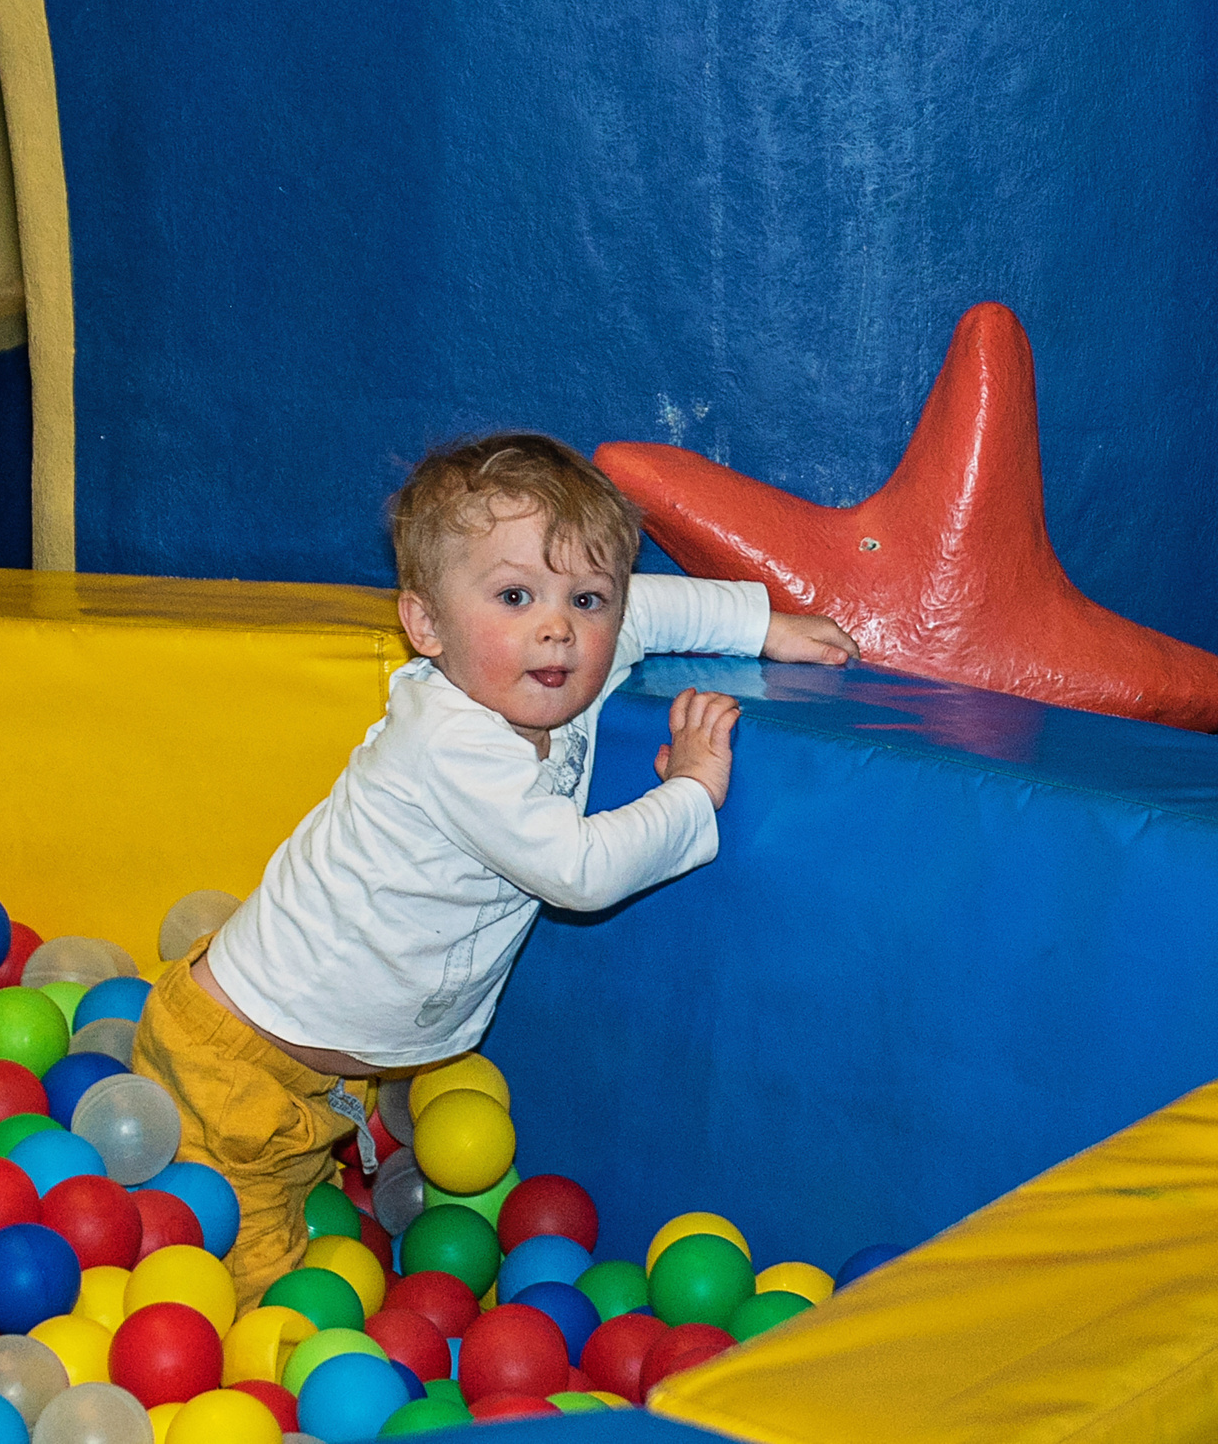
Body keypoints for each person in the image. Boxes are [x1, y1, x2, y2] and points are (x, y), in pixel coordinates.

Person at [131, 432, 859, 1300]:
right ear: (426, 624)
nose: (558, 625)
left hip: (321, 1077)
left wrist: (762, 625)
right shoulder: (452, 740)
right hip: (235, 1066)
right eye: (514, 594)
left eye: (585, 598)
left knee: (324, 1254)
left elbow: (646, 610)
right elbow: (579, 872)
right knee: (252, 1308)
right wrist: (693, 791)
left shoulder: (552, 667)